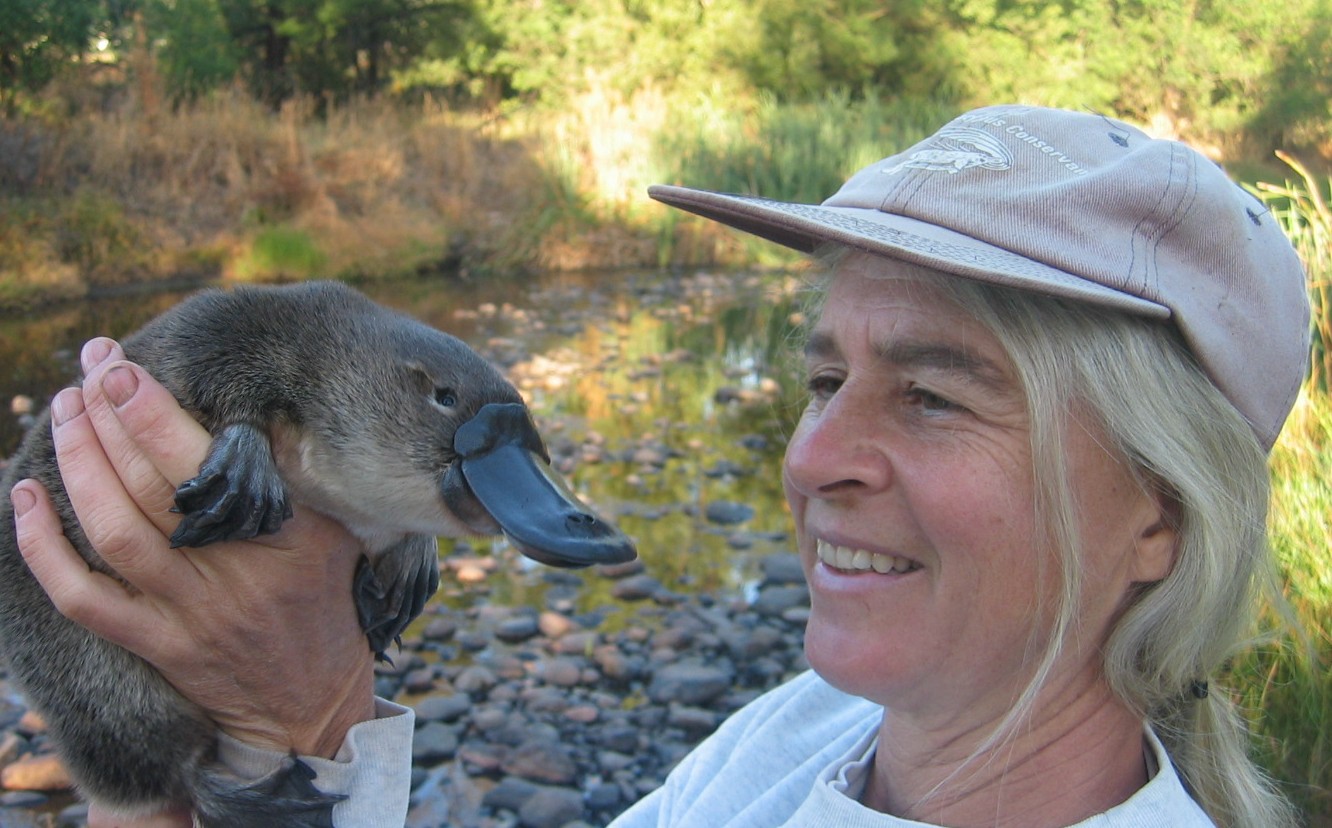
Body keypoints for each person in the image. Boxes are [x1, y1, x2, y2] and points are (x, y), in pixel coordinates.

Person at [9, 103, 1310, 827]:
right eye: (821, 378)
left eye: (930, 392)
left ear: (1162, 517)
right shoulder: (826, 723)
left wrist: (295, 731)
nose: (812, 457)